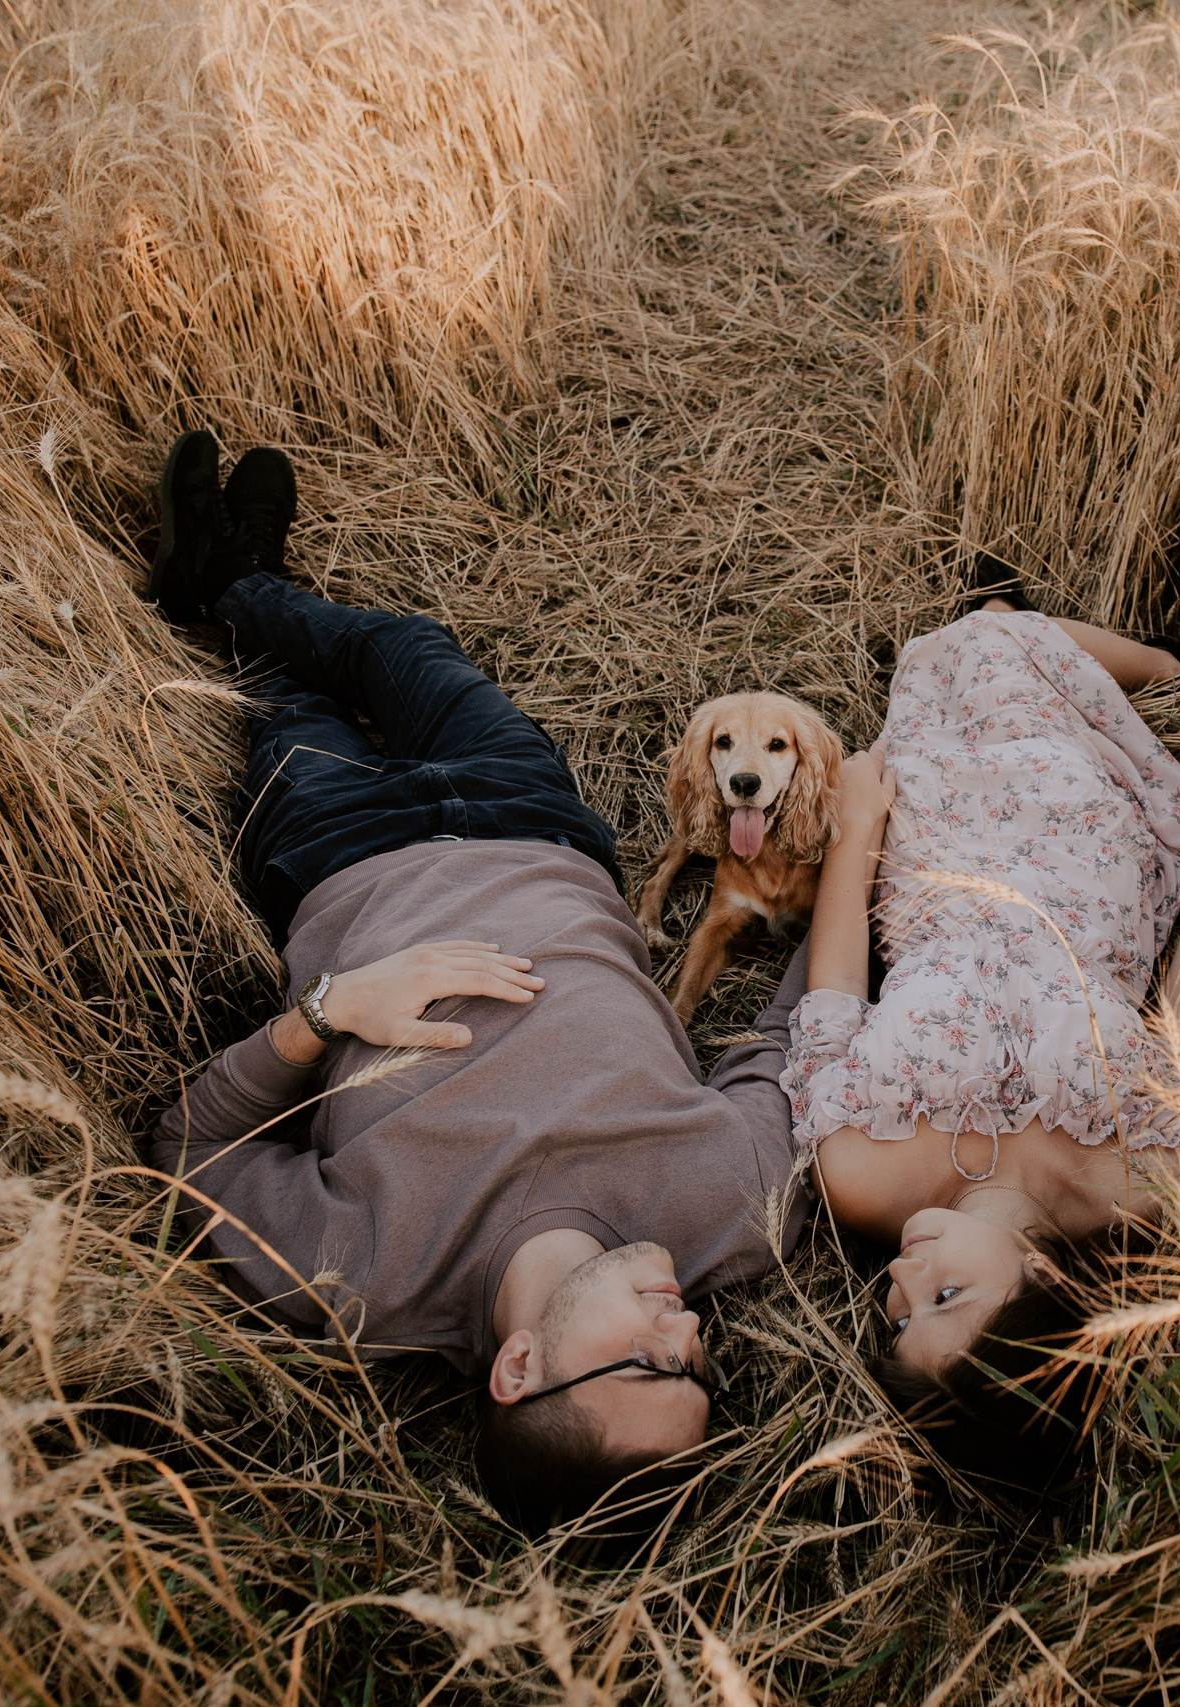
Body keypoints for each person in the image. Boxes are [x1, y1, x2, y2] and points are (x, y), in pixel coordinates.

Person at [139, 429, 809, 1532]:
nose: (687, 1333)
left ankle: (222, 582)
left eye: (649, 1366)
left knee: (289, 697)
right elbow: (800, 1036)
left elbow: (189, 1146)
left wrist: (326, 1017)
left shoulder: (365, 1278)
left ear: (517, 1369)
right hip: (534, 823)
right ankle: (239, 576)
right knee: (404, 649)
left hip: (342, 855)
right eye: (701, 1369)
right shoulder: (734, 1210)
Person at [782, 570, 1180, 1489]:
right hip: (1082, 864)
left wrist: (856, 826)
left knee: (945, 657)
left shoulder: (858, 1174)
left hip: (936, 864)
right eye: (946, 1296)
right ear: (1043, 1283)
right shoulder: (1144, 1185)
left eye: (899, 1317)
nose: (901, 1282)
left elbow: (836, 991)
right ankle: (1158, 661)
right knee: (989, 650)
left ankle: (1023, 621)